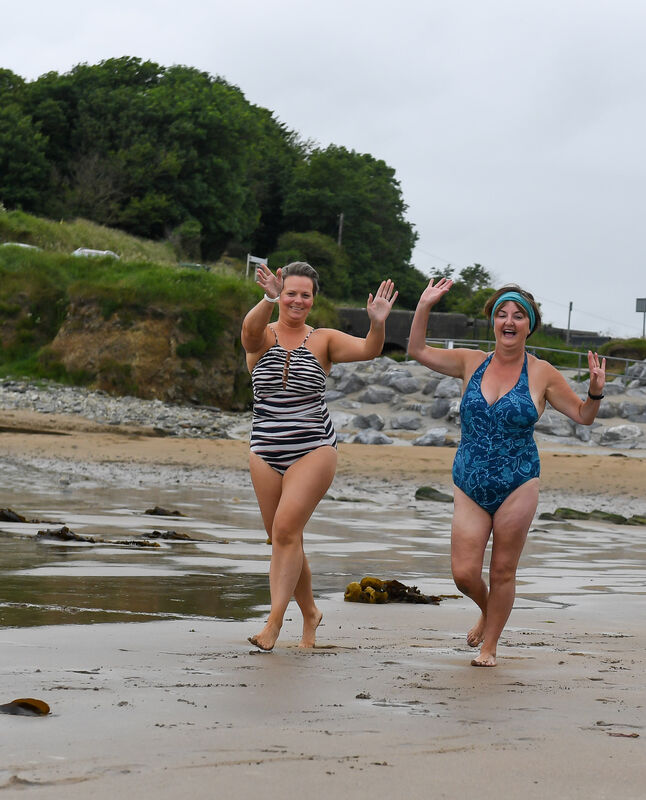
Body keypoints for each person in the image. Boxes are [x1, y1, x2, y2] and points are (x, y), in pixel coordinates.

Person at [407, 279, 606, 667]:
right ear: (493, 321)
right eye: (501, 314)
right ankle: (489, 611)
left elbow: (584, 416)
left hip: (518, 481)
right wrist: (424, 306)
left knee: (502, 571)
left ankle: (490, 647)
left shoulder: (543, 373)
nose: (509, 321)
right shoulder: (470, 362)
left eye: (518, 315)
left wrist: (595, 391)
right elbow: (417, 350)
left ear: (530, 325)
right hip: (469, 480)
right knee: (464, 574)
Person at [241, 261, 398, 651]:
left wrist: (377, 322)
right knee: (283, 539)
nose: (297, 300)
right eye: (290, 293)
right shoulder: (262, 334)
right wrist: (267, 298)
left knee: (285, 532)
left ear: (313, 299)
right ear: (280, 295)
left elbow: (369, 349)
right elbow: (247, 334)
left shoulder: (323, 339)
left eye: (305, 295)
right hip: (264, 449)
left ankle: (274, 622)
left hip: (313, 448)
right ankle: (310, 612)